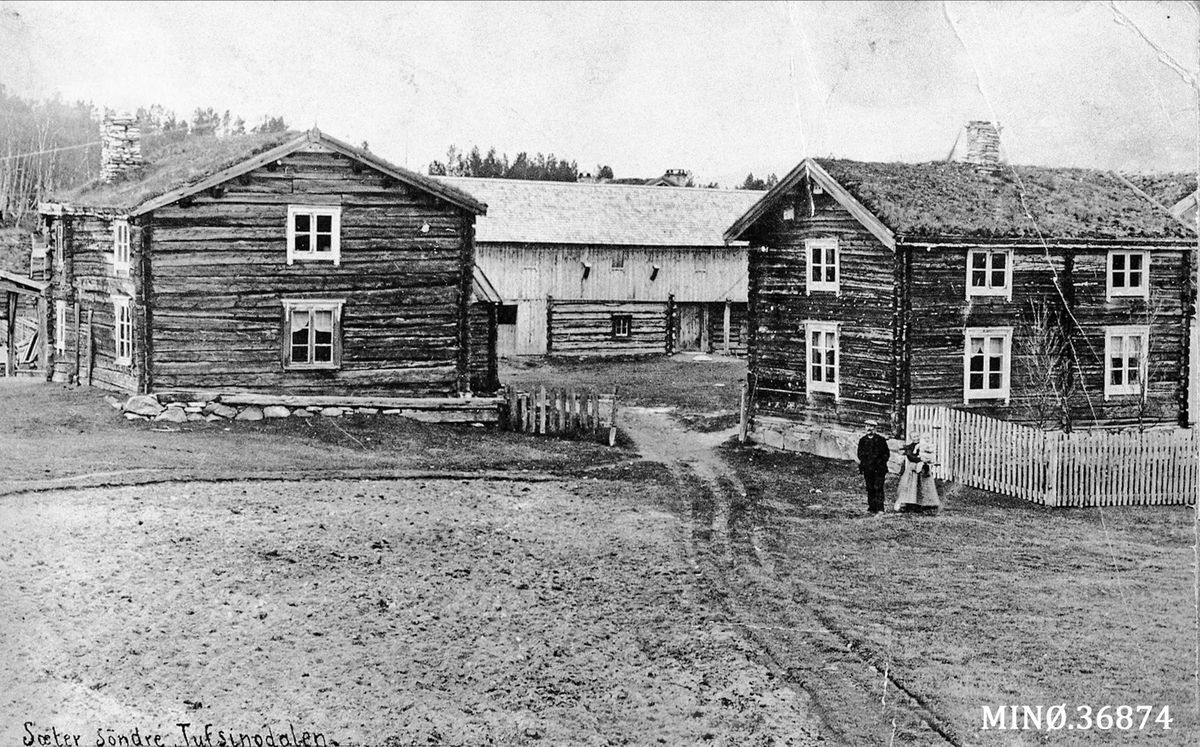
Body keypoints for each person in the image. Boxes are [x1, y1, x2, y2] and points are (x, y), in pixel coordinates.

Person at [895, 431, 941, 513]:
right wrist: (920, 459)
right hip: (913, 467)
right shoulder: (909, 447)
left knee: (923, 484)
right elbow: (910, 457)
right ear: (911, 438)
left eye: (917, 436)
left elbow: (930, 453)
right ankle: (910, 503)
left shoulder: (923, 445)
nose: (916, 438)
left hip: (923, 467)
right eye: (914, 437)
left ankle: (923, 503)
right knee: (911, 485)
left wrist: (927, 460)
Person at [857, 419, 891, 514]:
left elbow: (886, 454)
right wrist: (865, 464)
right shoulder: (862, 440)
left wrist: (879, 462)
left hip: (879, 469)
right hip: (868, 468)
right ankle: (872, 507)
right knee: (870, 487)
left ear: (875, 428)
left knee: (878, 487)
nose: (869, 429)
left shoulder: (880, 440)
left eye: (871, 427)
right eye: (867, 426)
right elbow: (860, 454)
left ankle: (880, 508)